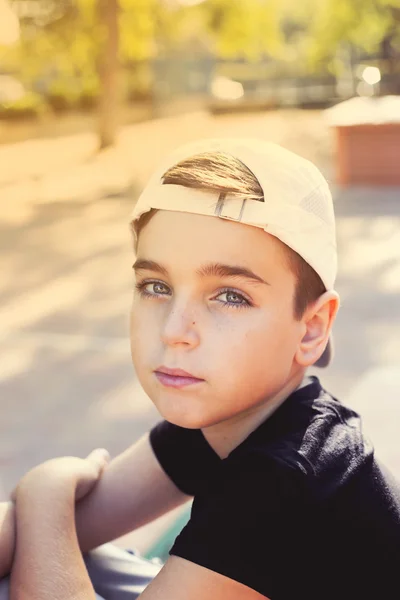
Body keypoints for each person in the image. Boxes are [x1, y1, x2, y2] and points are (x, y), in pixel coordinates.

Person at [1, 138, 399, 600]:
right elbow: (77, 526)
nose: (175, 330)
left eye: (230, 296)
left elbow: (48, 520)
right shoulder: (230, 415)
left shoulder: (289, 477)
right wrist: (46, 516)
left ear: (310, 329)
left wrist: (44, 488)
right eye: (155, 286)